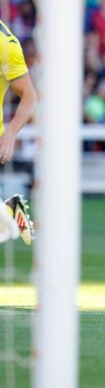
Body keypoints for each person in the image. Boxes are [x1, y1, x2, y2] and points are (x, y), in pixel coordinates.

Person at [0, 19, 36, 246]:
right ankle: (10, 211)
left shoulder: (6, 44)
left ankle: (10, 213)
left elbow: (30, 96)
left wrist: (11, 132)